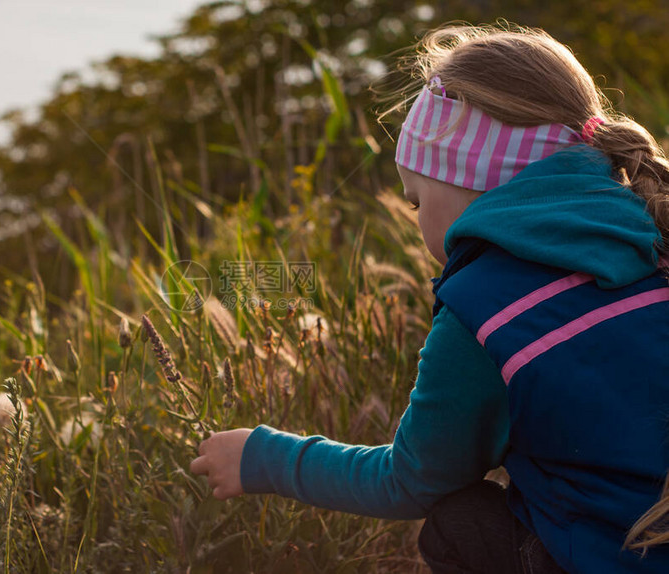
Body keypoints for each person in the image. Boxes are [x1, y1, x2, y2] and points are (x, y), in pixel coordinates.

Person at [189, 23, 669, 573]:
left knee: (462, 523)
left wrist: (266, 459)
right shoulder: (657, 240)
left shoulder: (486, 313)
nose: (416, 221)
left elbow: (411, 481)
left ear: (468, 180)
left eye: (416, 202)